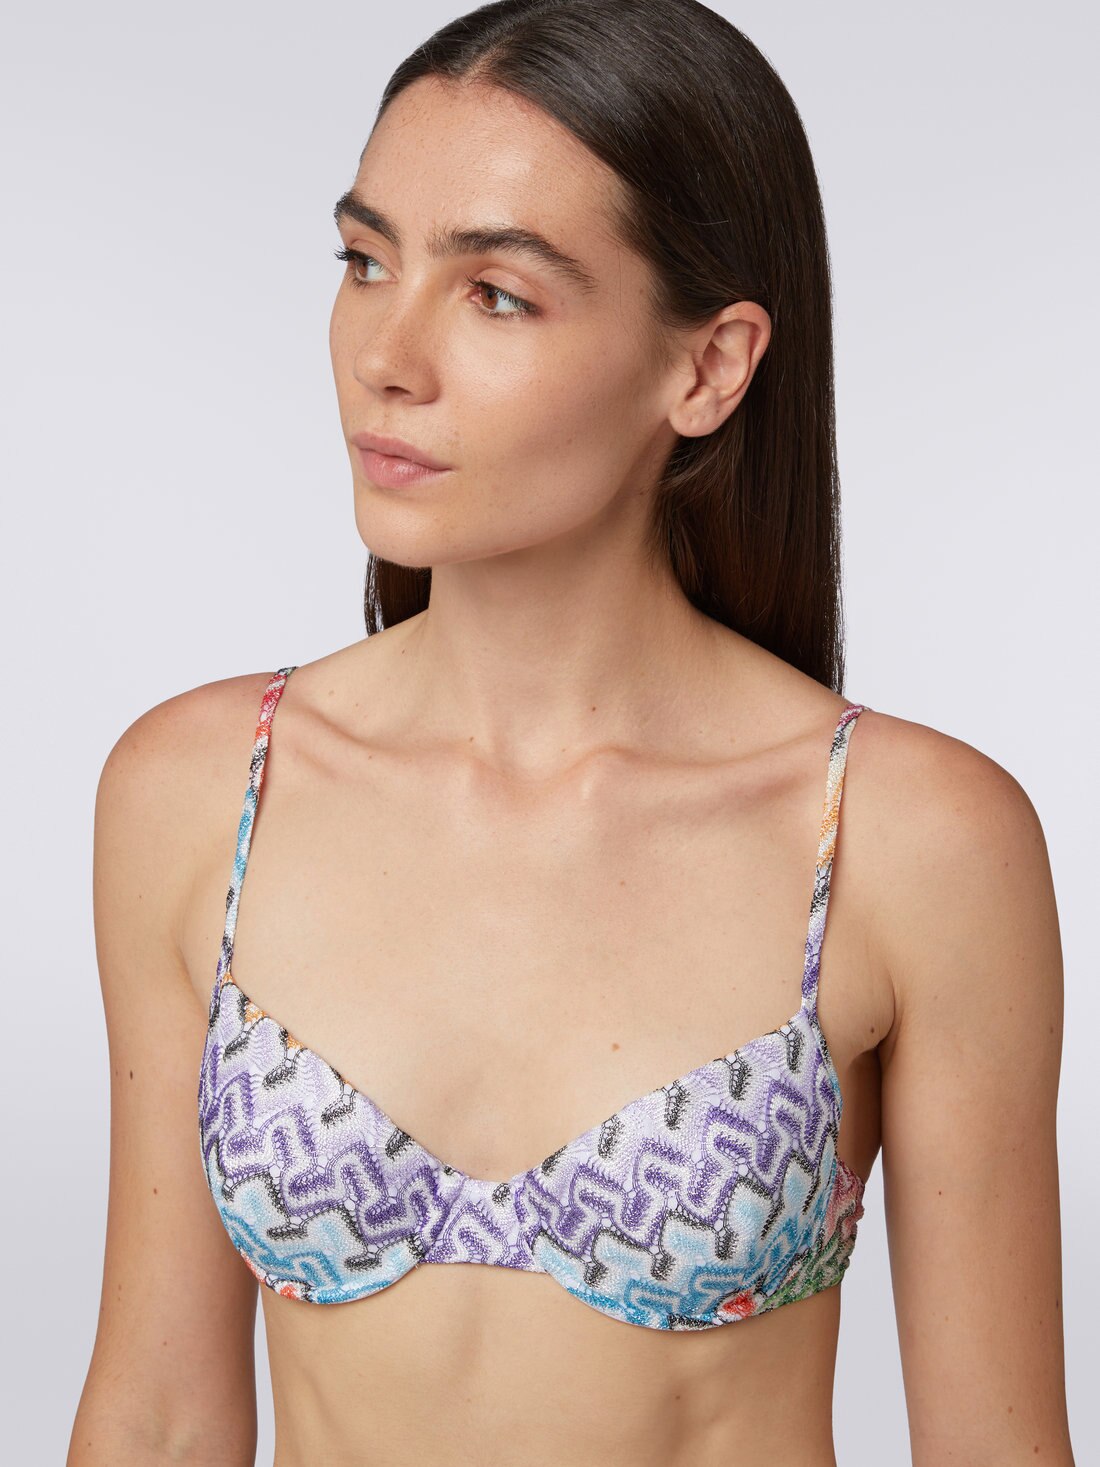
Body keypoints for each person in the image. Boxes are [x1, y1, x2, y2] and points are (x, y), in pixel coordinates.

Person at [68, 2, 1075, 1464]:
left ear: (708, 368)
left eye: (496, 294)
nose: (386, 357)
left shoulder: (909, 839)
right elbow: (158, 1418)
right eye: (365, 262)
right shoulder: (202, 789)